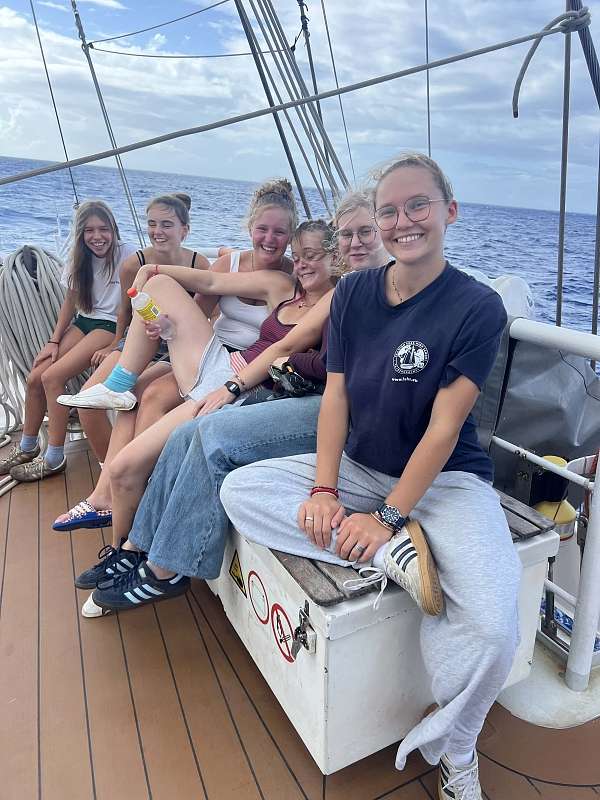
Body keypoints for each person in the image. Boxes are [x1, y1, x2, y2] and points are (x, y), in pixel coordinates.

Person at [217, 154, 520, 800]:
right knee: (240, 491)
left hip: (445, 480)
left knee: (495, 629)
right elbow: (336, 397)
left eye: (418, 206)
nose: (403, 221)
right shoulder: (354, 294)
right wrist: (326, 490)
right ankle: (394, 557)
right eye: (389, 211)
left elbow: (445, 429)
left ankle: (456, 745)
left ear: (449, 211)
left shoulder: (476, 307)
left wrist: (386, 515)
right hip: (360, 468)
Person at [81, 190, 388, 617]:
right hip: (269, 385)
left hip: (329, 405)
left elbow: (325, 364)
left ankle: (165, 568)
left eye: (366, 232)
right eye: (348, 234)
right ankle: (136, 548)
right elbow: (291, 340)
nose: (355, 243)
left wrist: (325, 486)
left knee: (210, 435)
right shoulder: (348, 288)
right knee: (186, 432)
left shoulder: (369, 290)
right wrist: (233, 385)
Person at [63, 219, 336, 595]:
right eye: (299, 255)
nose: (303, 264)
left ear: (334, 258)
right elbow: (208, 281)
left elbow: (289, 351)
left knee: (124, 468)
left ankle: (136, 556)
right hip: (222, 370)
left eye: (314, 256)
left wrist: (235, 386)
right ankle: (124, 554)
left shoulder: (334, 303)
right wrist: (150, 268)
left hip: (238, 392)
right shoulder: (283, 287)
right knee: (159, 285)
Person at [53, 181, 295, 531]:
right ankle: (106, 495)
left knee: (151, 395)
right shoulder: (228, 263)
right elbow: (200, 313)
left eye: (279, 232)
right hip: (207, 348)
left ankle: (135, 493)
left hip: (241, 367)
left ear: (291, 236)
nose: (269, 239)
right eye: (262, 229)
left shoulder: (293, 278)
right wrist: (165, 327)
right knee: (136, 394)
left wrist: (152, 272)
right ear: (250, 228)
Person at [0, 200, 136, 482]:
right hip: (84, 321)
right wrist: (53, 341)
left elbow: (129, 307)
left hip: (110, 325)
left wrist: (115, 344)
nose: (97, 236)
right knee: (35, 379)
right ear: (81, 234)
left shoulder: (128, 255)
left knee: (52, 378)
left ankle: (54, 458)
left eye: (103, 229)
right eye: (89, 230)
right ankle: (27, 447)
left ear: (114, 229)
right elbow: (70, 301)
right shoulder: (79, 258)